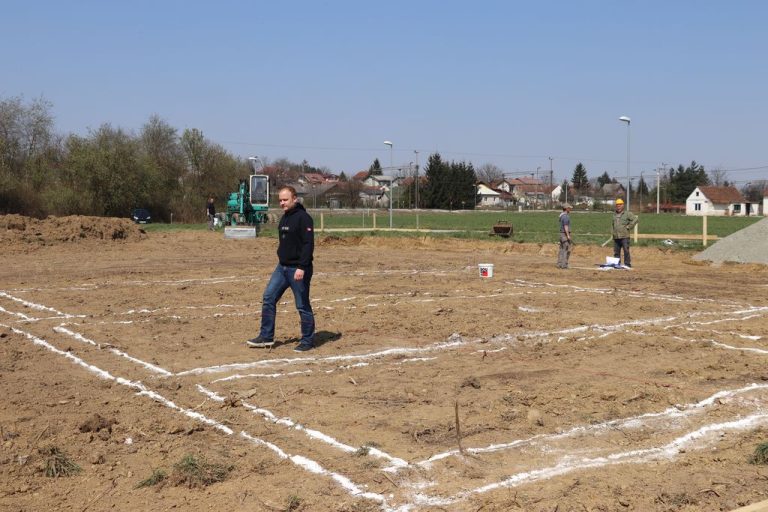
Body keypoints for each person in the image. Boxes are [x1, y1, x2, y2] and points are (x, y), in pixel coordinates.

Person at [247, 186, 316, 352]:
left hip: (298, 269)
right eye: (280, 200)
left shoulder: (304, 218)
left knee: (302, 305)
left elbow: (308, 245)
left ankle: (308, 340)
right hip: (282, 268)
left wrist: (302, 267)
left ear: (294, 199)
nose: (282, 203)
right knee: (269, 297)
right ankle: (266, 337)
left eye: (285, 200)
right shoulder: (285, 218)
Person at [612, 198, 638, 268]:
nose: (618, 206)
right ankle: (617, 264)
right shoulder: (614, 215)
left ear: (623, 205)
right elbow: (613, 225)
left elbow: (635, 219)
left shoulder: (627, 214)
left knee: (626, 251)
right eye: (617, 205)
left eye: (620, 205)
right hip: (616, 236)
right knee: (616, 252)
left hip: (625, 236)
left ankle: (627, 264)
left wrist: (629, 226)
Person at [557, 203, 573, 269]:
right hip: (564, 235)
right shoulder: (566, 216)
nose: (570, 209)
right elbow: (566, 226)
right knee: (566, 249)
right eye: (569, 208)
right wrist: (568, 236)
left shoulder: (561, 215)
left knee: (561, 249)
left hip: (561, 234)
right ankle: (564, 265)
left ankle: (559, 264)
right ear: (566, 208)